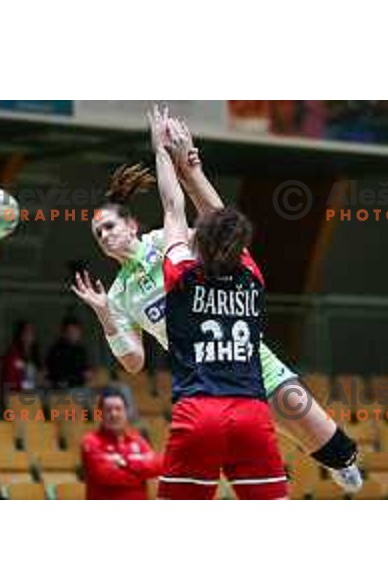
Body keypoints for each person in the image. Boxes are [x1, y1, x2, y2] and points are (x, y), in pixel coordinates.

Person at [71, 107, 362, 493]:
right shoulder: (119, 294)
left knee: (328, 441)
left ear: (132, 224)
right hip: (205, 377)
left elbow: (219, 224)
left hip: (252, 359)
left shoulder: (167, 241)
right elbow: (134, 363)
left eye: (109, 225)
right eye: (97, 234)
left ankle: (340, 460)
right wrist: (107, 317)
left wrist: (186, 171)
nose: (105, 236)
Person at [151, 109, 287, 499]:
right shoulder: (251, 274)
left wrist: (161, 151)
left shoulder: (180, 272)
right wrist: (192, 167)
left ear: (198, 244)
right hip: (252, 413)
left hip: (199, 413)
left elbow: (172, 208)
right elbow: (220, 219)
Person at [81, 388, 162, 499]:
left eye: (118, 409)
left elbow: (157, 466)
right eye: (108, 410)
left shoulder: (138, 441)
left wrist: (125, 463)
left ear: (126, 412)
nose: (114, 414)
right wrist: (140, 473)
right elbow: (104, 475)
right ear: (100, 414)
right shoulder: (90, 441)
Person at [46, 316, 92, 389]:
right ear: (64, 333)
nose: (74, 334)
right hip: (60, 390)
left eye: (76, 331)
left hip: (79, 389)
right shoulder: (57, 350)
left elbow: (86, 370)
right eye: (71, 332)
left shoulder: (80, 350)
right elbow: (56, 374)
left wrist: (87, 374)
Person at [0, 320, 42, 394]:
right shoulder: (12, 355)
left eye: (32, 332)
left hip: (31, 395)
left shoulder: (34, 355)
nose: (31, 335)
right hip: (16, 397)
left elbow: (39, 375)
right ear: (21, 334)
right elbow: (10, 381)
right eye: (27, 332)